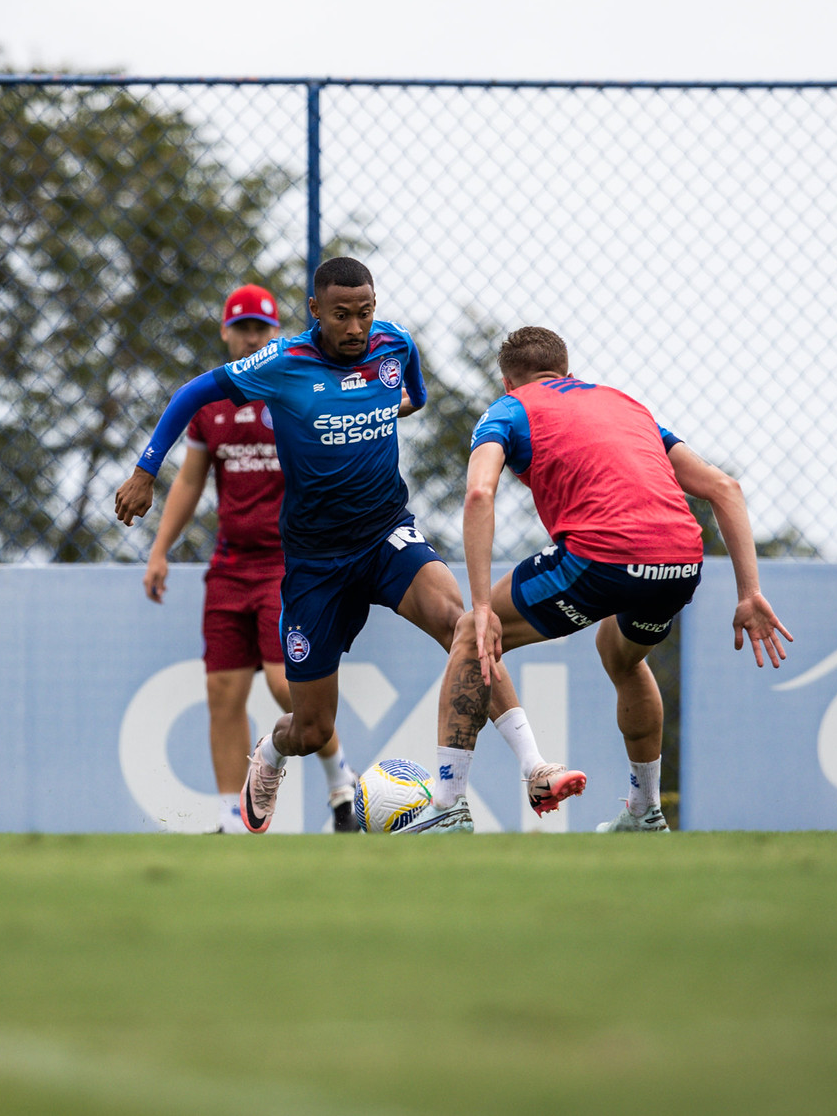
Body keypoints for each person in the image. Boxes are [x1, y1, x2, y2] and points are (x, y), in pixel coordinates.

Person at [115, 258, 579, 834]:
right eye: (341, 315)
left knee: (462, 624)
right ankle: (271, 755)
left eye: (364, 312)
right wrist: (144, 471)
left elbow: (415, 394)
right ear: (314, 312)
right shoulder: (282, 362)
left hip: (386, 533)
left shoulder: (394, 345)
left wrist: (386, 409)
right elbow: (193, 393)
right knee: (309, 728)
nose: (356, 327)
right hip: (314, 562)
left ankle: (534, 766)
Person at [440, 326, 792, 833]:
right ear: (567, 370)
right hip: (678, 563)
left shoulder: (510, 409)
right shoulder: (625, 405)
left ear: (506, 381)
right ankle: (645, 811)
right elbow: (724, 487)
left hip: (600, 559)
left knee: (471, 637)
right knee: (620, 653)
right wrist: (750, 593)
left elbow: (479, 495)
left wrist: (481, 607)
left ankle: (448, 809)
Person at [142, 285, 359, 833]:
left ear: (276, 331)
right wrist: (160, 549)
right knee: (222, 691)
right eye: (242, 328)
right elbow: (190, 481)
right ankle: (230, 814)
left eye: (261, 328)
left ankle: (341, 785)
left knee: (286, 685)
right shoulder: (211, 404)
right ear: (225, 332)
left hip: (287, 566)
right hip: (229, 567)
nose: (251, 338)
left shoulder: (290, 387)